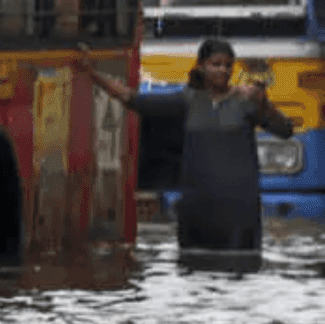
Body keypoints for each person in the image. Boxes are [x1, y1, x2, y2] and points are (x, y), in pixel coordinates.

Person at [77, 37, 291, 265]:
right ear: (201, 66)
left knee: (240, 271)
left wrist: (265, 104)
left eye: (228, 65)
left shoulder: (247, 103)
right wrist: (92, 74)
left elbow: (285, 130)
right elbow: (131, 99)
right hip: (197, 214)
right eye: (216, 64)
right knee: (195, 273)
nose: (223, 70)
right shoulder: (187, 101)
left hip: (239, 216)